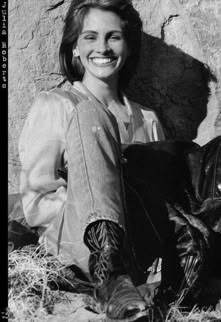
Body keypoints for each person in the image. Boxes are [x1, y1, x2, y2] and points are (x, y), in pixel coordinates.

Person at [18, 0, 165, 320]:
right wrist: (89, 198)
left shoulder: (148, 118)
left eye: (113, 37)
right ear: (73, 48)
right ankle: (109, 272)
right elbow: (37, 200)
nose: (103, 47)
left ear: (126, 47)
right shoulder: (56, 105)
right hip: (77, 248)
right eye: (90, 37)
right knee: (89, 114)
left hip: (139, 247)